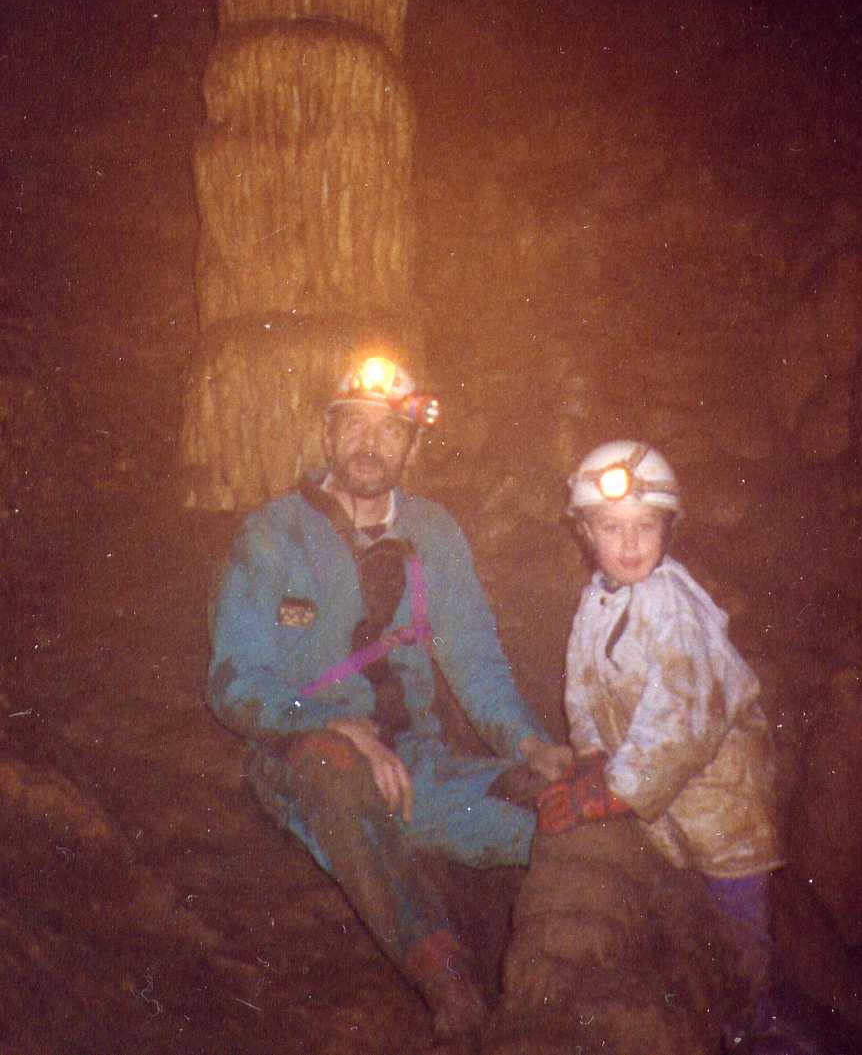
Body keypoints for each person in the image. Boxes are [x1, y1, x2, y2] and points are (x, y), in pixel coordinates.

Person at [207, 354, 572, 1043]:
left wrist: (530, 745)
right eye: (353, 425)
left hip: (417, 764)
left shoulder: (433, 533)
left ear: (411, 446)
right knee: (335, 767)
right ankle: (449, 984)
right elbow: (234, 681)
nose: (369, 444)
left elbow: (474, 659)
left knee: (554, 819)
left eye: (389, 430)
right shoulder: (273, 534)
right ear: (327, 435)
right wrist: (334, 724)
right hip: (300, 758)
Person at [535, 440, 815, 1055]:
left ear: (669, 529)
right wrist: (590, 753)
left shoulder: (674, 605)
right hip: (662, 798)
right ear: (585, 532)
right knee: (689, 914)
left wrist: (607, 794)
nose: (630, 542)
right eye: (612, 527)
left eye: (646, 526)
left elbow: (678, 723)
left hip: (721, 799)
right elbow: (581, 687)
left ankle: (762, 1021)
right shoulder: (596, 600)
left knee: (737, 913)